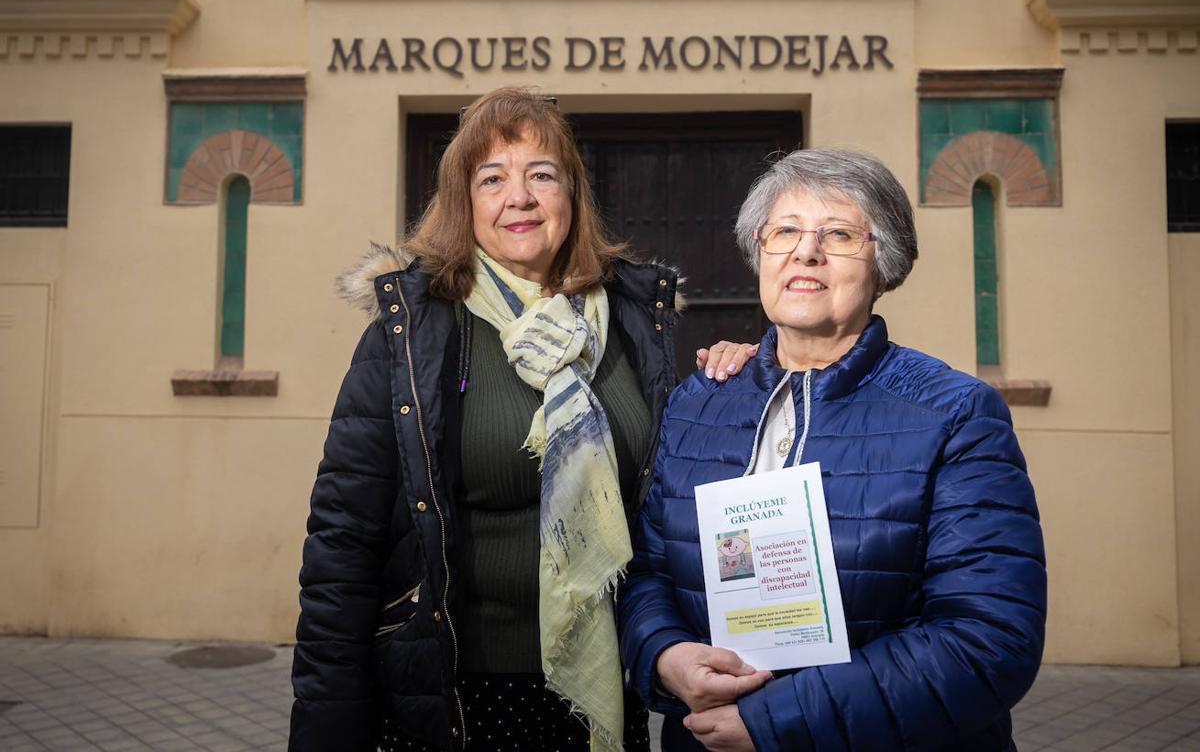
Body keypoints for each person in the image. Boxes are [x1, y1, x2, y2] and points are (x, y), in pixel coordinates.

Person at [289, 87, 754, 752]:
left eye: (542, 174)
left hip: (599, 687)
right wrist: (327, 727)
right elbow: (342, 544)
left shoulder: (630, 322)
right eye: (492, 178)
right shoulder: (413, 331)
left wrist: (735, 378)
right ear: (464, 202)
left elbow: (677, 494)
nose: (521, 197)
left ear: (572, 195)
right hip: (454, 694)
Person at [618, 148, 1047, 751]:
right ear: (759, 252)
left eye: (839, 234)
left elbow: (989, 640)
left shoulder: (954, 413)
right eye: (785, 231)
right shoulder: (698, 403)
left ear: (883, 263)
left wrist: (776, 723)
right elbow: (648, 572)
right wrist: (667, 657)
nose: (805, 251)